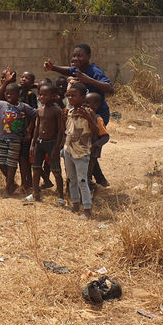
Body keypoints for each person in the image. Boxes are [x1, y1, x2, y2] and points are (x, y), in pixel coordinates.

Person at [44, 44, 113, 187]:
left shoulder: (93, 71)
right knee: (80, 146)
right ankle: (95, 179)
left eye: (80, 55)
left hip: (97, 114)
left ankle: (91, 180)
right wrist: (53, 68)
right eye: (74, 55)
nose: (76, 58)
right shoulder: (77, 70)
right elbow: (68, 70)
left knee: (89, 147)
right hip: (82, 114)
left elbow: (110, 88)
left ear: (88, 57)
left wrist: (90, 80)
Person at [62, 82, 98, 218]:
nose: (70, 99)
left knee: (82, 181)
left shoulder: (89, 112)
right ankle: (75, 204)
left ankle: (87, 209)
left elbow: (95, 131)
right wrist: (62, 117)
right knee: (72, 179)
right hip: (69, 150)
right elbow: (65, 131)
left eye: (74, 96)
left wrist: (88, 118)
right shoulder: (70, 112)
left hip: (81, 153)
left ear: (83, 98)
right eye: (69, 96)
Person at [30, 83, 65, 203]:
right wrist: (33, 144)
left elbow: (61, 130)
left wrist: (57, 147)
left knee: (56, 170)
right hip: (40, 142)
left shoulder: (57, 110)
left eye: (45, 95)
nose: (41, 97)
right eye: (40, 95)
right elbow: (36, 127)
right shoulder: (39, 110)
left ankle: (60, 195)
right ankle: (35, 193)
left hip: (52, 143)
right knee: (36, 168)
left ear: (53, 96)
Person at [85, 92, 110, 193]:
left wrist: (95, 145)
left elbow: (105, 136)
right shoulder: (83, 116)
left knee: (87, 174)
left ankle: (93, 191)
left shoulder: (97, 119)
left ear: (96, 105)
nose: (85, 105)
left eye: (87, 103)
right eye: (84, 102)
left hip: (92, 153)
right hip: (83, 150)